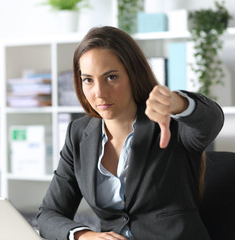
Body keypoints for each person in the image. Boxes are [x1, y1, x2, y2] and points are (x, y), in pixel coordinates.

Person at [36, 26, 224, 240]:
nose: (99, 93)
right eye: (88, 79)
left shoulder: (171, 124)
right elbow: (48, 215)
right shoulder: (78, 134)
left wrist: (177, 103)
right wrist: (84, 236)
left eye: (111, 77)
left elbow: (212, 119)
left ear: (133, 74)